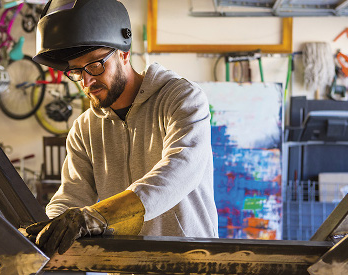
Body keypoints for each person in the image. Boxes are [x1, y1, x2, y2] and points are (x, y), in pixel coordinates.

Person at [26, 0, 218, 256]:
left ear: (124, 53)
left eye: (94, 65)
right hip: (126, 266)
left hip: (191, 262)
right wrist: (48, 228)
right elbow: (71, 196)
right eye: (75, 72)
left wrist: (98, 215)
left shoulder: (182, 98)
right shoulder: (85, 129)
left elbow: (180, 170)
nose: (86, 81)